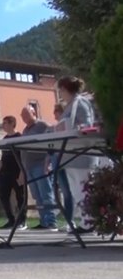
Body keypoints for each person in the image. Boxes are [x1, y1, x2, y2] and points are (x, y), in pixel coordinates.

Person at [56, 76, 98, 233]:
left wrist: (77, 128)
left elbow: (87, 124)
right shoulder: (70, 105)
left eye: (61, 89)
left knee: (83, 188)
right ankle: (84, 221)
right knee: (76, 191)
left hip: (81, 154)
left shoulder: (80, 102)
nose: (60, 93)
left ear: (66, 89)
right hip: (71, 155)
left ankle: (90, 221)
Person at [20, 105, 58, 230]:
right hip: (29, 166)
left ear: (33, 113)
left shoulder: (42, 125)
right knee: (37, 196)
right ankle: (43, 221)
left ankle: (51, 221)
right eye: (22, 115)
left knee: (46, 193)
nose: (23, 117)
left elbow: (52, 141)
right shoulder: (25, 130)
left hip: (41, 164)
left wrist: (49, 161)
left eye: (26, 114)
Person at [0, 116, 27, 230]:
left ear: (12, 124)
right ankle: (11, 219)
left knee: (20, 197)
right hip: (4, 172)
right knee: (3, 196)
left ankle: (22, 221)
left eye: (5, 123)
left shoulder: (19, 137)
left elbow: (23, 155)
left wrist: (22, 172)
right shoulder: (4, 138)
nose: (3, 125)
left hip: (17, 171)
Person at [51, 102, 74, 228]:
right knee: (65, 192)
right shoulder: (56, 127)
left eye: (56, 111)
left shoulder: (67, 125)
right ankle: (68, 220)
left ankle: (70, 220)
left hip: (66, 160)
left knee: (69, 192)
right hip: (57, 160)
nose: (54, 114)